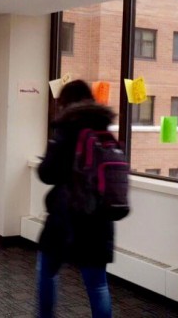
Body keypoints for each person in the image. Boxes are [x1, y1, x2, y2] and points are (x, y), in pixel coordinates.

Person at [36, 79, 116, 318]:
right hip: (99, 220)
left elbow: (47, 173)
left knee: (47, 272)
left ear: (65, 103)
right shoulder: (104, 130)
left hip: (66, 217)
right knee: (98, 285)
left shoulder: (66, 131)